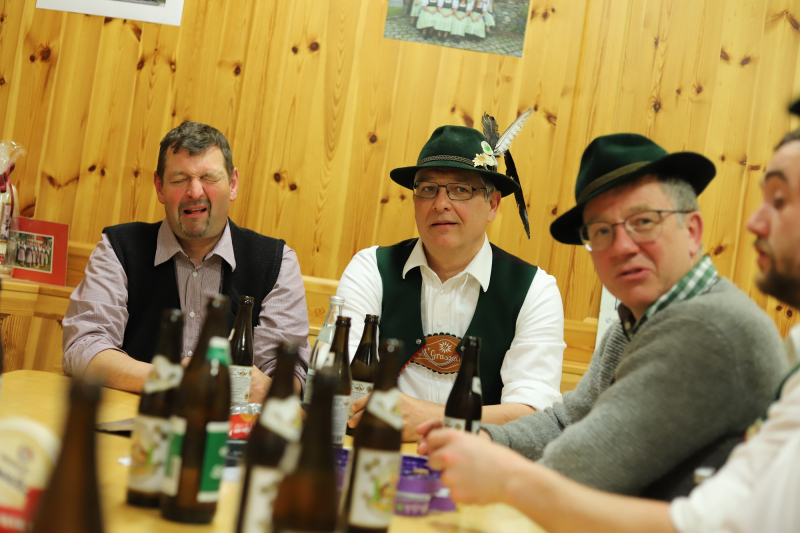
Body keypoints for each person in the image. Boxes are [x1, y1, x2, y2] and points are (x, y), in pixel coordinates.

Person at [423, 107, 800, 532]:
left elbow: (583, 465)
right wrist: (482, 438)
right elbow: (566, 420)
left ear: (693, 231)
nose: (621, 246)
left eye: (644, 222)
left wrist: (495, 471)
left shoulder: (707, 327)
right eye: (601, 231)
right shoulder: (640, 317)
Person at [338, 122, 566, 441]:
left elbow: (533, 415)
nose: (440, 203)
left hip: (478, 463)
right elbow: (341, 382)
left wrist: (433, 419)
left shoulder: (534, 290)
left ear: (493, 204)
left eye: (461, 189)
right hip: (375, 450)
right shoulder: (371, 269)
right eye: (427, 188)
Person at [62, 121, 311, 404]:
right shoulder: (118, 248)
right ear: (159, 187)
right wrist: (171, 378)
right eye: (180, 179)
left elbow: (287, 372)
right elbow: (84, 346)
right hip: (135, 420)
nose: (195, 191)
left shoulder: (277, 262)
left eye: (208, 177)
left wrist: (270, 388)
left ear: (233, 184)